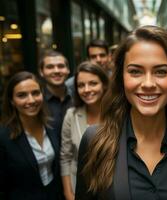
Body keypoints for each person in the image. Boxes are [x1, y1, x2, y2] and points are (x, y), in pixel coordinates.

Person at [75, 25, 167, 200]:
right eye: (135, 71)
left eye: (161, 71)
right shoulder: (95, 140)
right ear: (121, 78)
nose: (148, 83)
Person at [0, 72, 63, 200]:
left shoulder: (53, 125)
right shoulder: (3, 137)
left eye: (35, 93)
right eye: (22, 95)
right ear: (12, 101)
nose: (31, 100)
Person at [60, 61, 109, 200]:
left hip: (112, 188)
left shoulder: (116, 114)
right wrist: (68, 193)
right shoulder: (71, 115)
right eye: (81, 85)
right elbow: (65, 157)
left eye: (93, 83)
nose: (86, 89)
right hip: (79, 190)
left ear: (104, 84)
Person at [38, 50, 73, 138]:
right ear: (41, 72)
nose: (56, 71)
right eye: (50, 67)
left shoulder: (78, 97)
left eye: (61, 66)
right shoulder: (37, 102)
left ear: (68, 70)